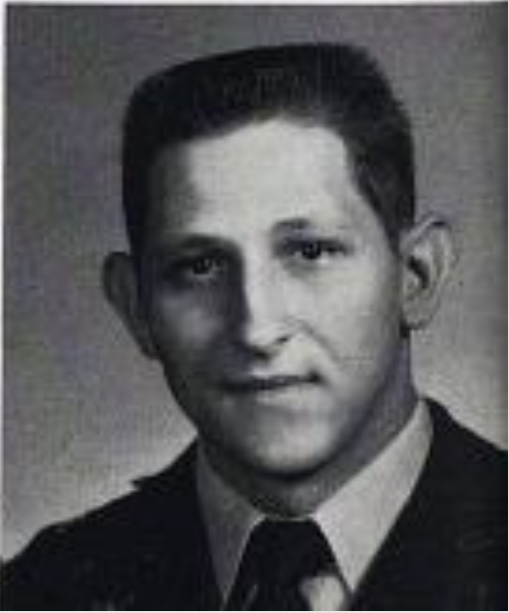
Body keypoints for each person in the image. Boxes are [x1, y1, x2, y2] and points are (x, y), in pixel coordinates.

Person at [2, 43, 506, 610]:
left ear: (416, 276)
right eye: (200, 266)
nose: (256, 328)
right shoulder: (40, 592)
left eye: (310, 252)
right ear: (136, 306)